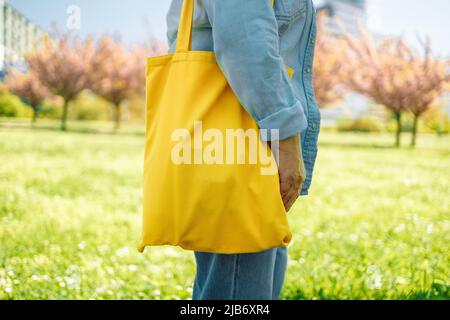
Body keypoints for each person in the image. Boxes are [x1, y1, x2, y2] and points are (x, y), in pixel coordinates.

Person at [166, 0, 320, 300]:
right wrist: (285, 136)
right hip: (245, 148)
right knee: (239, 292)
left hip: (243, 141)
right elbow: (245, 45)